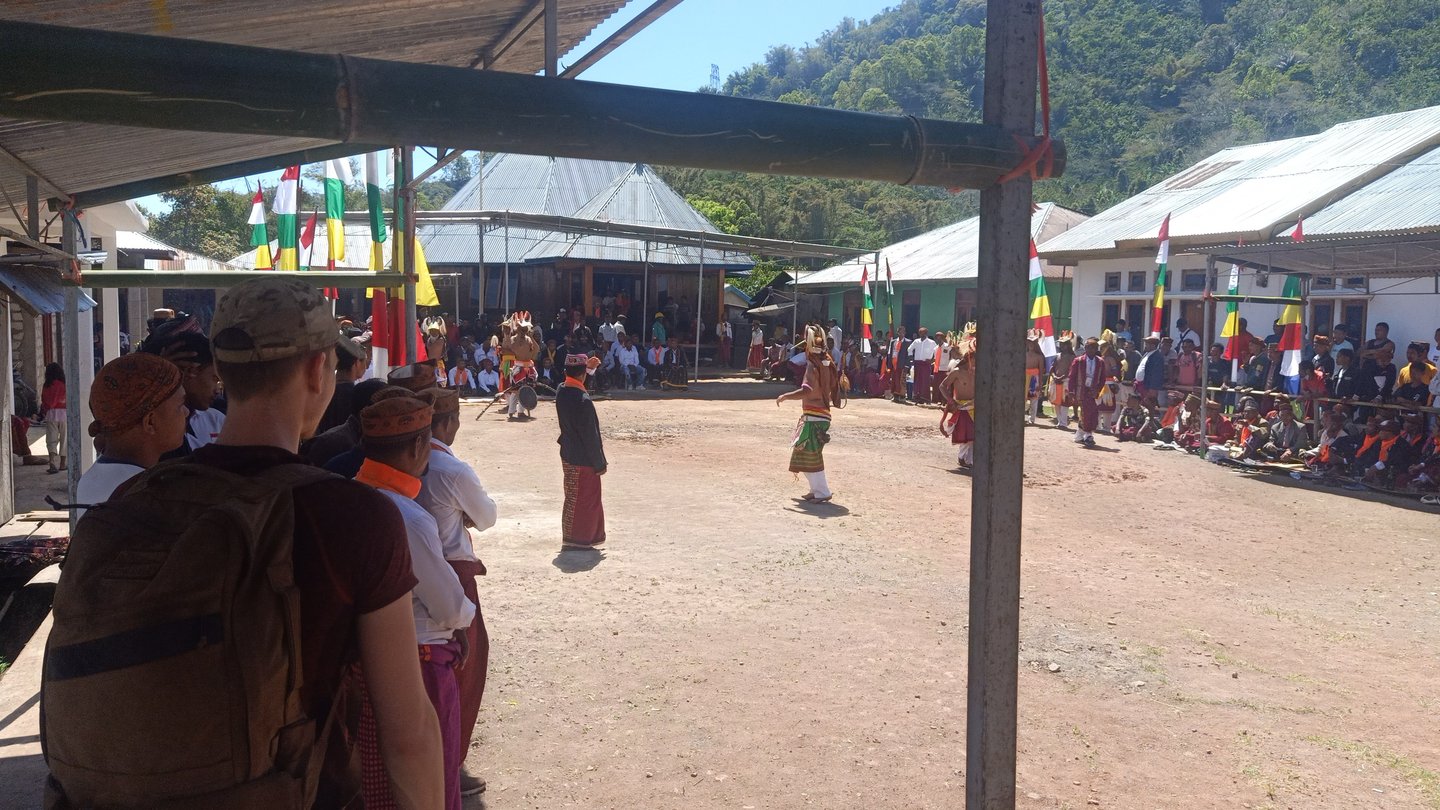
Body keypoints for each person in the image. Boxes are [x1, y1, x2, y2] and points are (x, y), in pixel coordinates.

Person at [60, 277, 445, 806]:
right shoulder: (354, 516)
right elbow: (408, 735)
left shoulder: (138, 495)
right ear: (317, 369)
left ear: (224, 368)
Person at [353, 393, 474, 810]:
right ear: (419, 445)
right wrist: (463, 621)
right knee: (431, 781)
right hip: (419, 658)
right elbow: (448, 604)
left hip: (365, 658)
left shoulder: (351, 493)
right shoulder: (407, 516)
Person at [414, 388, 497, 798]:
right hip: (452, 572)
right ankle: (452, 759)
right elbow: (487, 516)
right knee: (464, 665)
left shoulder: (407, 463)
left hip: (412, 572)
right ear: (448, 424)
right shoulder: (452, 469)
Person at [75, 354, 188, 515]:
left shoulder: (90, 480)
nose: (187, 412)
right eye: (181, 405)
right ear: (150, 422)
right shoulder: (149, 494)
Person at [139, 329, 225, 459]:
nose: (218, 390)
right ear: (191, 371)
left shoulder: (217, 420)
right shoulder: (148, 427)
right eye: (215, 379)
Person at [777, 325, 841, 500]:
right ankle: (815, 490)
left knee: (810, 454)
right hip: (820, 416)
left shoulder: (813, 366)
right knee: (805, 453)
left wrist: (785, 396)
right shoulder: (827, 363)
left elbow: (807, 390)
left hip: (815, 417)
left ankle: (822, 492)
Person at [556, 351, 608, 548]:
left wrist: (589, 370)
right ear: (582, 374)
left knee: (572, 497)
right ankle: (581, 539)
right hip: (583, 458)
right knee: (586, 499)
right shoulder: (583, 401)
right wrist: (600, 463)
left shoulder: (561, 390)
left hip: (568, 453)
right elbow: (590, 436)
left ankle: (571, 537)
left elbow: (577, 383)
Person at [305, 378, 389, 467]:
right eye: (387, 407)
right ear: (367, 411)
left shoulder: (374, 441)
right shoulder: (331, 444)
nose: (392, 413)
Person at [939, 326, 978, 467]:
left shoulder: (979, 372)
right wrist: (950, 400)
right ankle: (963, 458)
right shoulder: (956, 372)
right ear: (970, 358)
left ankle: (969, 460)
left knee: (974, 435)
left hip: (975, 406)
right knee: (965, 433)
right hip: (961, 407)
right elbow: (942, 386)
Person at [318, 334, 370, 435]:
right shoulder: (358, 395)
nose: (366, 366)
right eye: (365, 361)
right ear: (357, 363)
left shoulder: (323, 390)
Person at [501, 311, 540, 421]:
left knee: (526, 390)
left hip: (529, 367)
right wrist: (513, 335)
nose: (523, 331)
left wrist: (531, 337)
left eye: (525, 329)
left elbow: (536, 350)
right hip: (518, 367)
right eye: (522, 329)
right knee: (515, 391)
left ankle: (521, 412)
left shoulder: (529, 339)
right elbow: (510, 347)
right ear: (518, 329)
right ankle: (511, 412)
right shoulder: (513, 339)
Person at [1068, 338, 1107, 446]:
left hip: (1093, 391)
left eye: (1093, 348)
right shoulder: (1079, 360)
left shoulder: (1100, 362)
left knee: (1092, 412)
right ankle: (1088, 435)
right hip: (1082, 390)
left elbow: (1102, 378)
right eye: (1088, 347)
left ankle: (1079, 435)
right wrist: (1071, 391)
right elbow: (1072, 377)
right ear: (1085, 348)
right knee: (1087, 412)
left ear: (1096, 349)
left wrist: (1097, 390)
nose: (1090, 350)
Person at [41, 362, 66, 474]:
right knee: (64, 439)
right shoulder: (63, 384)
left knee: (51, 439)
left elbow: (43, 400)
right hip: (64, 414)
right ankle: (62, 464)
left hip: (51, 414)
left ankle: (52, 462)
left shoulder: (46, 385)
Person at [1132, 336, 1164, 407]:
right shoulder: (1146, 354)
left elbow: (1157, 374)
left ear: (1153, 345)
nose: (1145, 346)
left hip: (1148, 387)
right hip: (1140, 386)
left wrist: (1153, 389)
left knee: (1148, 407)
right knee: (1139, 407)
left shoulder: (1157, 357)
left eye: (1147, 344)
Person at [1050, 337, 1074, 429]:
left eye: (1063, 344)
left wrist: (1063, 377)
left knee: (1065, 402)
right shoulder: (1058, 355)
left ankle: (1063, 422)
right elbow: (1052, 368)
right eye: (1060, 344)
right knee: (1057, 402)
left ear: (1068, 345)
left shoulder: (1072, 357)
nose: (1061, 346)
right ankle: (1060, 421)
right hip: (1056, 380)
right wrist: (1054, 376)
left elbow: (1072, 370)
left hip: (1066, 381)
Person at [909, 327, 937, 404]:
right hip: (917, 363)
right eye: (920, 332)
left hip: (926, 364)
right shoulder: (916, 341)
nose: (922, 334)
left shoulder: (931, 342)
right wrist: (911, 359)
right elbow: (909, 349)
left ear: (926, 333)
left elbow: (937, 351)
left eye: (923, 332)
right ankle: (916, 396)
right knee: (917, 380)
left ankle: (925, 398)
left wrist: (932, 360)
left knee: (925, 381)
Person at [887, 329, 910, 402]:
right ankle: (895, 395)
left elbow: (909, 355)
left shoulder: (908, 342)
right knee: (894, 380)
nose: (901, 333)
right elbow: (891, 353)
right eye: (900, 332)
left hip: (902, 364)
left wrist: (907, 365)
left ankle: (902, 396)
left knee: (901, 380)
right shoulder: (893, 341)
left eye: (903, 332)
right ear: (898, 333)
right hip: (894, 363)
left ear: (905, 333)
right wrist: (889, 364)